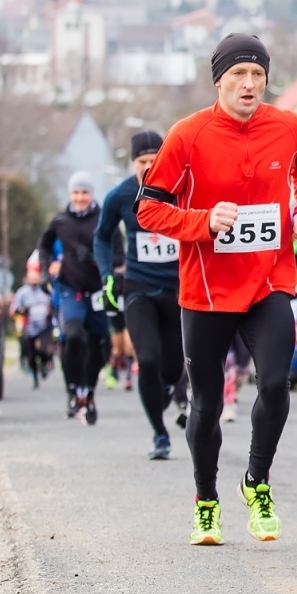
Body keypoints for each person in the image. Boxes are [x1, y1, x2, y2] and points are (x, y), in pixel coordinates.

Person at [137, 33, 297, 546]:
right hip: (207, 291)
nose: (249, 84)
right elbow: (148, 208)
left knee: (276, 385)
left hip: (269, 281)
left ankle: (256, 482)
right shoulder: (187, 135)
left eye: (258, 74)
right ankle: (206, 502)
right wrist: (202, 221)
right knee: (206, 404)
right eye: (238, 74)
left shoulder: (288, 127)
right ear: (219, 81)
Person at [95, 129, 190, 461]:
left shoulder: (180, 188)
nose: (149, 167)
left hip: (177, 288)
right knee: (147, 359)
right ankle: (160, 434)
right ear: (133, 163)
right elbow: (102, 237)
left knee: (174, 367)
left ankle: (163, 389)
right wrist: (107, 275)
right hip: (138, 288)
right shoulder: (120, 196)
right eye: (142, 162)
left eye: (154, 160)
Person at [39, 171, 111, 425]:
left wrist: (95, 260)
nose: (80, 198)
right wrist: (46, 269)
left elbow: (118, 254)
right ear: (70, 195)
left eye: (85, 193)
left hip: (98, 290)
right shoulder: (60, 221)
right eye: (76, 193)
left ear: (92, 194)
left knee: (99, 344)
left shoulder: (104, 220)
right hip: (71, 288)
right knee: (73, 335)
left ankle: (88, 392)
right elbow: (44, 245)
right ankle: (72, 390)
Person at [10, 260, 54, 388]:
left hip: (45, 327)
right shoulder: (22, 293)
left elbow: (54, 304)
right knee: (31, 354)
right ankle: (34, 377)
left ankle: (45, 364)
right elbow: (14, 309)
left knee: (43, 349)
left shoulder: (46, 291)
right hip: (29, 327)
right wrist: (23, 311)